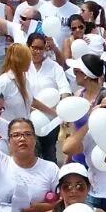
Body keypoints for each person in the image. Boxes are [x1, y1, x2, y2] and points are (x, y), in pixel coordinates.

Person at [26, 33, 72, 161]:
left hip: (50, 120)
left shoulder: (54, 67)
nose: (37, 51)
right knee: (30, 155)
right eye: (34, 47)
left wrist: (62, 113)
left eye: (41, 48)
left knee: (49, 154)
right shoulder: (23, 66)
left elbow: (65, 90)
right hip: (27, 118)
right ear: (28, 47)